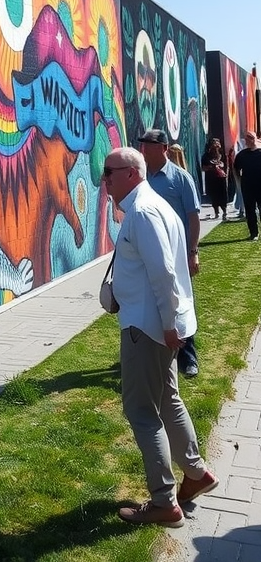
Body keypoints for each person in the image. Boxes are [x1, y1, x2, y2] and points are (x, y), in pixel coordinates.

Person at [103, 147, 218, 528]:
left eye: (109, 172)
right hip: (155, 325)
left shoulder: (143, 211)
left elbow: (164, 274)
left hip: (147, 327)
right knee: (168, 398)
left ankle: (164, 502)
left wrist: (168, 325)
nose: (104, 180)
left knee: (141, 411)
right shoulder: (148, 206)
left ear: (131, 174)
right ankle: (196, 474)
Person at [138, 129, 202, 378]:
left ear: (163, 147)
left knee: (180, 302)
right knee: (151, 302)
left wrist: (192, 251)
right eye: (142, 144)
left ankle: (188, 358)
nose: (143, 148)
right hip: (148, 253)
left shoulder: (181, 178)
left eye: (149, 144)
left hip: (176, 254)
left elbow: (193, 217)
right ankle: (154, 351)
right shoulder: (141, 179)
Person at [233, 131, 261, 241]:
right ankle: (254, 233)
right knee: (250, 211)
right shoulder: (242, 155)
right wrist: (238, 182)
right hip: (248, 187)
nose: (248, 141)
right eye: (247, 138)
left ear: (254, 139)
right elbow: (235, 169)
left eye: (250, 138)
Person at [201, 137, 228, 221]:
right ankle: (216, 212)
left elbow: (226, 166)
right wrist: (211, 167)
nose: (215, 147)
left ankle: (225, 212)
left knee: (223, 196)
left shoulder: (222, 155)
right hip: (212, 179)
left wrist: (225, 173)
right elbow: (203, 168)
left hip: (221, 179)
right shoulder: (206, 156)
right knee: (214, 196)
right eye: (214, 145)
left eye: (217, 145)